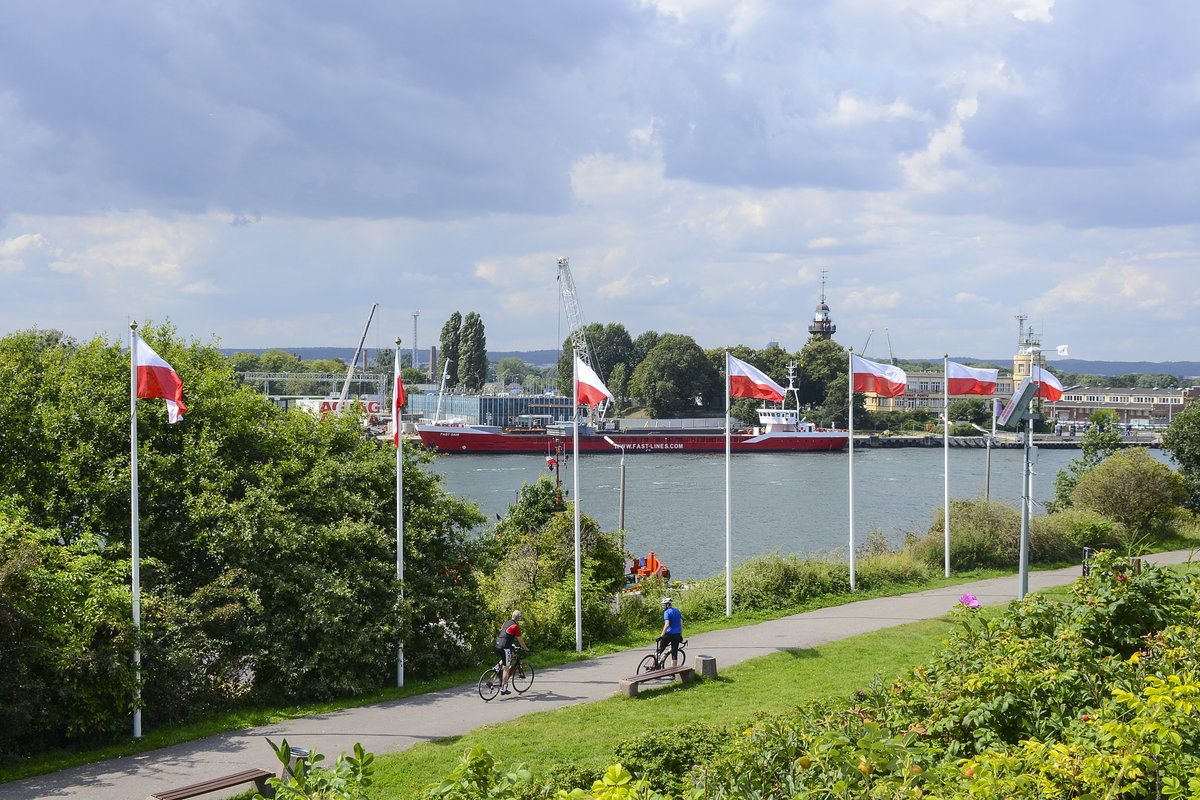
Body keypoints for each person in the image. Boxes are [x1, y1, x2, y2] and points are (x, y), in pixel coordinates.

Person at [493, 610, 529, 696]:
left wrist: (511, 644)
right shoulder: (515, 626)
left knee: (509, 656)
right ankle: (504, 688)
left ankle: (497, 667)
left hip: (498, 644)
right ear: (519, 618)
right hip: (505, 647)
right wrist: (526, 648)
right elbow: (520, 639)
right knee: (506, 668)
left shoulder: (506, 622)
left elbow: (505, 634)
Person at [659, 597, 682, 667]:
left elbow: (667, 625)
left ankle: (653, 666)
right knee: (674, 654)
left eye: (663, 605)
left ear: (668, 605)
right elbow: (681, 623)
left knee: (659, 650)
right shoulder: (678, 611)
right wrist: (680, 634)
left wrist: (661, 636)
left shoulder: (666, 612)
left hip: (669, 634)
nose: (662, 606)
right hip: (677, 635)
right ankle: (673, 672)